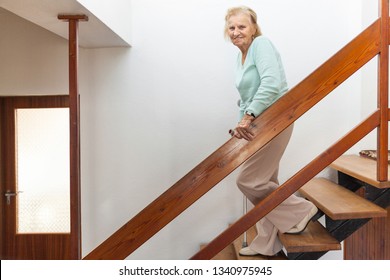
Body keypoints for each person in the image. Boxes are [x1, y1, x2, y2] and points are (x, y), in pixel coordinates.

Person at [225, 6, 318, 257]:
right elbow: (247, 98)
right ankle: (267, 243)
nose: (236, 32)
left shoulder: (261, 44)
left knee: (249, 181)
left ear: (254, 27)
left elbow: (272, 83)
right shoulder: (240, 57)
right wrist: (241, 125)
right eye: (231, 28)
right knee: (266, 183)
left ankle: (300, 210)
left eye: (242, 26)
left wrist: (249, 116)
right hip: (259, 124)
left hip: (275, 119)